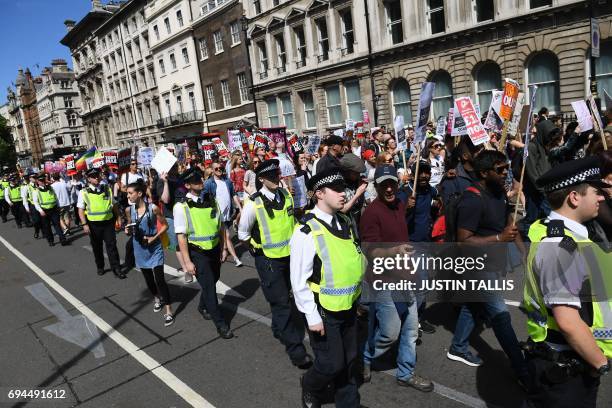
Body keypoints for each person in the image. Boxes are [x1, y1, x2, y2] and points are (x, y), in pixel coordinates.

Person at [522, 156, 611, 407]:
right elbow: (569, 322)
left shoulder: (560, 232)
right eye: (596, 192)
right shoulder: (561, 247)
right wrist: (600, 364)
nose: (602, 197)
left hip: (567, 364)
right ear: (574, 197)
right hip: (566, 370)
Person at [446, 150, 528, 385]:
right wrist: (499, 239)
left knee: (474, 307)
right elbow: (463, 241)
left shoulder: (499, 191)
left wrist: (523, 254)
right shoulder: (472, 199)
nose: (506, 173)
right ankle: (522, 371)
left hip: (494, 261)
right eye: (500, 170)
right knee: (500, 316)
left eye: (507, 168)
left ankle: (458, 347)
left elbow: (509, 224)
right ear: (484, 173)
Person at [290, 168, 365, 407]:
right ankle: (310, 385)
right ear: (320, 194)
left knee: (350, 360)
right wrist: (311, 316)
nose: (344, 194)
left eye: (344, 188)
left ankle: (349, 403)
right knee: (331, 363)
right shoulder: (306, 231)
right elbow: (298, 281)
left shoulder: (344, 220)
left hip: (349, 305)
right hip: (323, 310)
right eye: (338, 189)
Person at [360, 164, 434, 392]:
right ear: (377, 186)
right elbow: (370, 249)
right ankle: (365, 355)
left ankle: (405, 373)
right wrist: (393, 252)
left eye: (392, 183)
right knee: (390, 333)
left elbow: (401, 227)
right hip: (384, 281)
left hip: (406, 277)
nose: (389, 189)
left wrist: (410, 209)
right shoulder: (371, 213)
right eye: (384, 185)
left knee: (411, 330)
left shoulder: (400, 204)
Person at [238, 159, 312, 368]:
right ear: (261, 179)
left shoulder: (286, 195)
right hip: (269, 261)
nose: (276, 178)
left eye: (277, 174)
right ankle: (296, 351)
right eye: (270, 176)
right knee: (281, 304)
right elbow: (243, 233)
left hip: (291, 257)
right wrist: (257, 250)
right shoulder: (253, 203)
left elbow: (292, 222)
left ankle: (280, 329)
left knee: (296, 297)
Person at [173, 169, 234, 339]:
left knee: (212, 280)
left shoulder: (211, 200)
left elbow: (221, 226)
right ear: (187, 185)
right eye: (195, 180)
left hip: (214, 249)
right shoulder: (181, 207)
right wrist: (187, 262)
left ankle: (202, 306)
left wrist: (223, 248)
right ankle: (221, 325)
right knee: (209, 287)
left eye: (200, 178)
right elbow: (181, 237)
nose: (200, 181)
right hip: (198, 253)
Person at [126, 181, 174, 327]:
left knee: (159, 279)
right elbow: (129, 225)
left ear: (139, 194)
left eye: (130, 193)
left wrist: (153, 237)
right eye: (127, 193)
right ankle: (157, 298)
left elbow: (165, 225)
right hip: (139, 248)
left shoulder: (152, 208)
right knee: (148, 278)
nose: (128, 195)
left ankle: (168, 309)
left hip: (154, 247)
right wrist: (127, 230)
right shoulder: (129, 210)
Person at [78, 168, 124, 278]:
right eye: (93, 176)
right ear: (88, 179)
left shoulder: (107, 188)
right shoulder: (83, 192)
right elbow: (80, 209)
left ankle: (116, 268)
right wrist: (84, 224)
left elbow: (114, 205)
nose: (96, 177)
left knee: (111, 246)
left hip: (108, 222)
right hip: (94, 224)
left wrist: (118, 218)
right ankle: (100, 266)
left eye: (97, 175)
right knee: (97, 247)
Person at [203, 160, 243, 267]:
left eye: (221, 168)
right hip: (217, 214)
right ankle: (234, 257)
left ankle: (221, 252)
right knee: (227, 235)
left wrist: (240, 207)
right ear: (212, 170)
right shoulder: (208, 183)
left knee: (224, 236)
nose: (219, 170)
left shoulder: (227, 181)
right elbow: (203, 198)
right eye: (216, 169)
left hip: (228, 214)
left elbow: (233, 194)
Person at [32, 173, 68, 247]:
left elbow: (55, 197)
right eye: (40, 181)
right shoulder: (36, 191)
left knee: (57, 225)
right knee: (47, 226)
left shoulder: (51, 188)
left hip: (54, 209)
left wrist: (58, 206)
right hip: (44, 211)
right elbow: (36, 202)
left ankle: (62, 239)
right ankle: (50, 240)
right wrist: (40, 211)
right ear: (38, 182)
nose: (42, 182)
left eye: (43, 180)